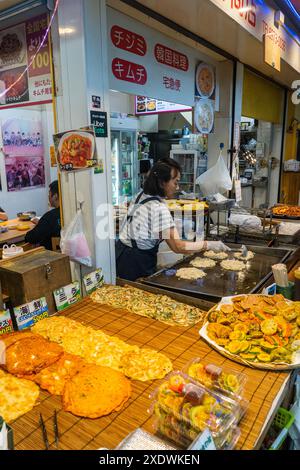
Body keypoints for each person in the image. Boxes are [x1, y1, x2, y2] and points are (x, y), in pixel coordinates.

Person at [116, 158, 230, 281]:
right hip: (137, 262)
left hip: (122, 252)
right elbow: (178, 247)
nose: (177, 187)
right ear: (161, 183)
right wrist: (208, 244)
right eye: (175, 182)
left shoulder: (141, 194)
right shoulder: (158, 208)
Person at [25, 180, 61, 250]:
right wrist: (41, 223)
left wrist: (41, 223)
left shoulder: (49, 217)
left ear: (55, 196)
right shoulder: (69, 212)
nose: (48, 197)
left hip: (51, 256)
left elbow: (31, 238)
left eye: (49, 194)